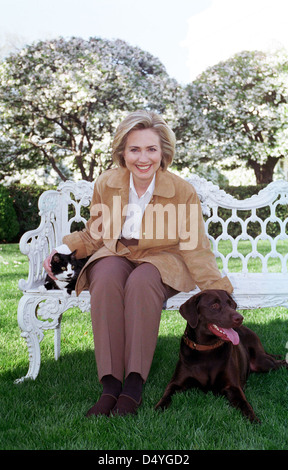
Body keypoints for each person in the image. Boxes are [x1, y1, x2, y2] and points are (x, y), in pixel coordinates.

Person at [43, 110, 233, 417]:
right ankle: (109, 384)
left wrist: (221, 296)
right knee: (104, 274)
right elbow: (96, 233)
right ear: (122, 152)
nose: (143, 158)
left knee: (142, 281)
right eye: (134, 149)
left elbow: (196, 248)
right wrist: (62, 249)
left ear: (163, 153)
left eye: (151, 149)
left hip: (163, 260)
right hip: (118, 253)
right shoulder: (107, 183)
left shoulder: (181, 191)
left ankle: (132, 385)